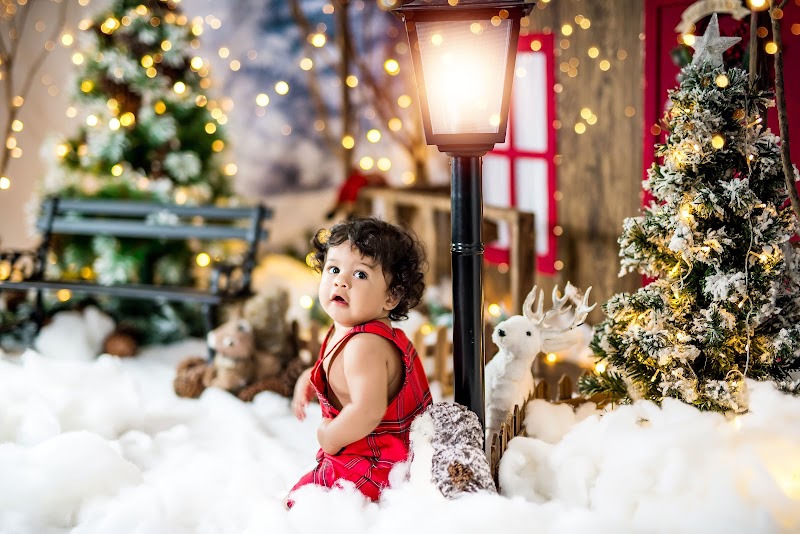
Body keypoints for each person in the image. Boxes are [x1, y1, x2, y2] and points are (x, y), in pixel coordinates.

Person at [288, 216, 432, 504]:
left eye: (361, 274)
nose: (341, 280)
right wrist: (310, 376)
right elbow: (341, 372)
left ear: (391, 297)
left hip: (381, 461)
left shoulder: (365, 345)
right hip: (362, 447)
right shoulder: (347, 327)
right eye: (334, 269)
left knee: (302, 501)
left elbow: (367, 410)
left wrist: (330, 439)